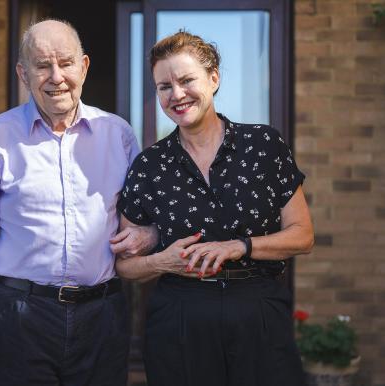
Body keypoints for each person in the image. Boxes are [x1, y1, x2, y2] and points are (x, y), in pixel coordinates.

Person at [0, 19, 157, 386]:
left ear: (83, 66)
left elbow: (146, 220)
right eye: (42, 65)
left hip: (102, 317)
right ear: (23, 73)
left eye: (66, 63)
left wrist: (148, 235)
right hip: (20, 317)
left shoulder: (119, 135)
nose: (56, 77)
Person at [115, 31, 314, 386]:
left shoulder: (263, 145)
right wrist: (163, 261)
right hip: (179, 316)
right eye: (164, 86)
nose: (176, 94)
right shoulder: (149, 165)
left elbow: (303, 235)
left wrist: (240, 246)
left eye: (186, 80)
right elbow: (125, 265)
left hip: (258, 311)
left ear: (214, 78)